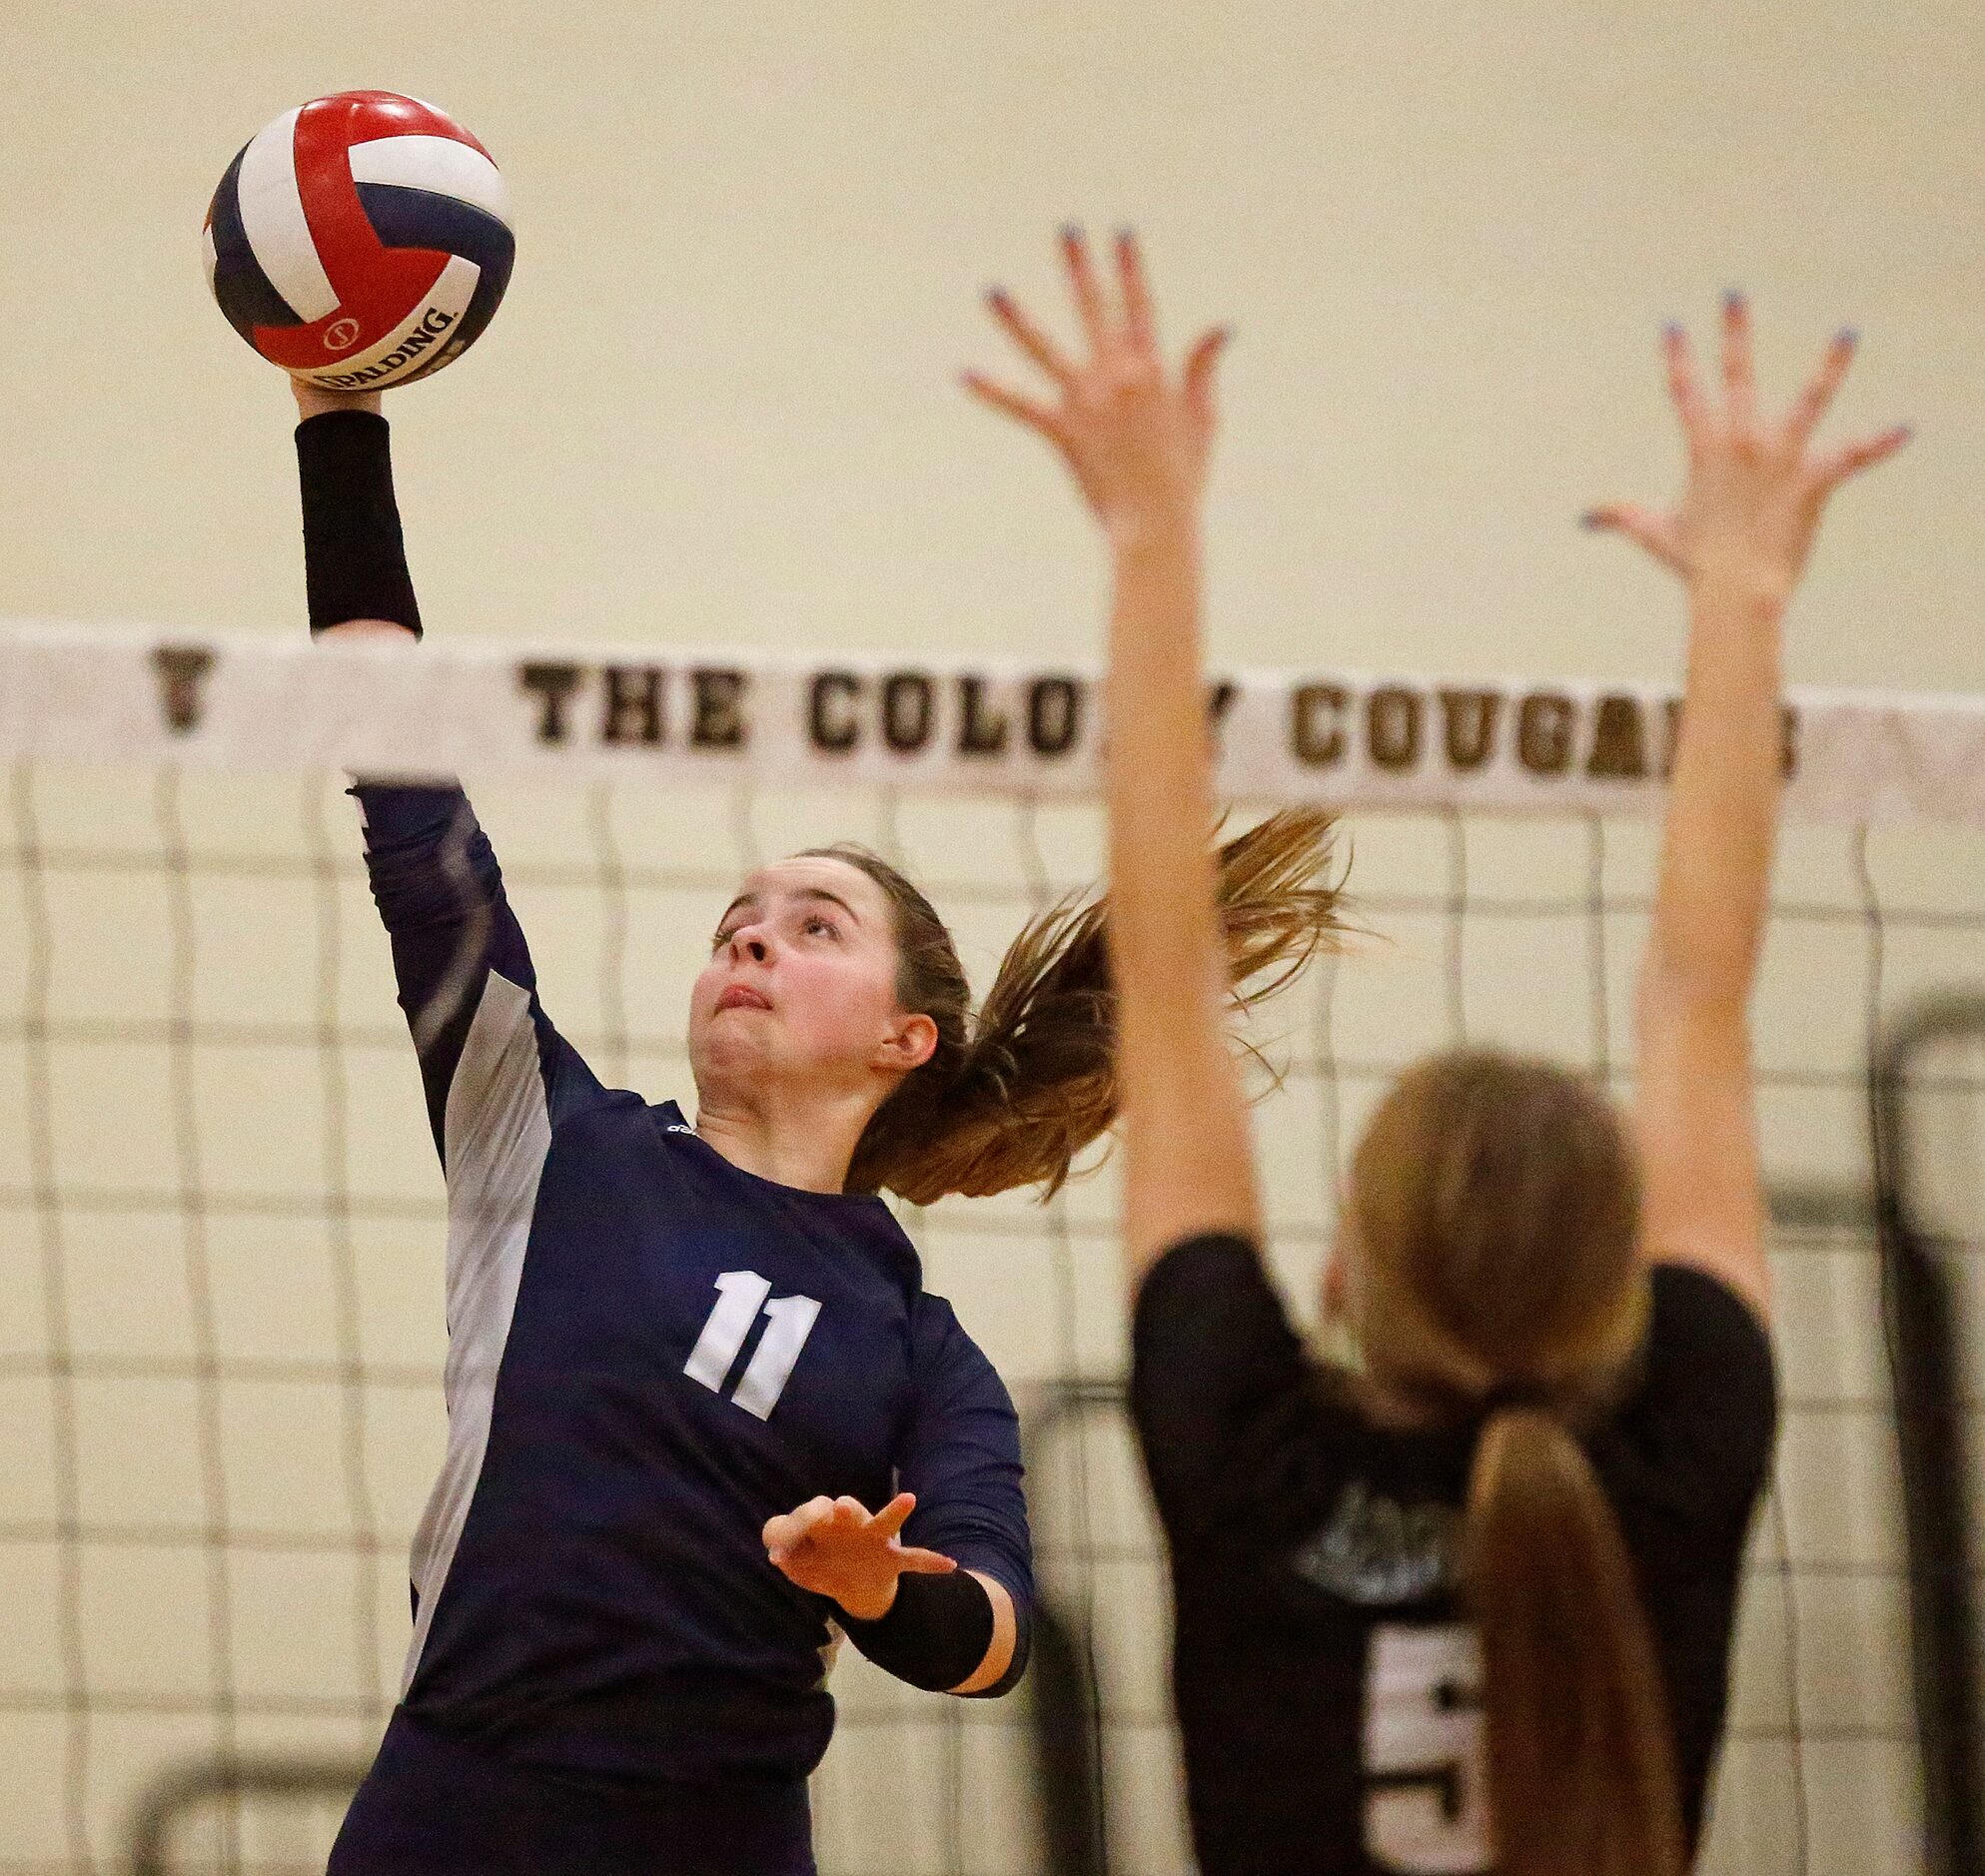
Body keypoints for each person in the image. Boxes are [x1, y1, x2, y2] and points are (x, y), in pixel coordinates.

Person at [288, 373, 1341, 1874]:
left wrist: (877, 1583)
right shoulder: (549, 1139)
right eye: (737, 921)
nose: (754, 942)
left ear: (907, 1039)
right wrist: (338, 412)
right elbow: (403, 782)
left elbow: (992, 1635)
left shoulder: (917, 1345)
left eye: (812, 924)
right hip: (457, 1811)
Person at [968, 236, 1907, 1874]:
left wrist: (1151, 536)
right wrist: (1746, 597)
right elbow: (1703, 999)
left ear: (1344, 1275)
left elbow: (1171, 995)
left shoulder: (1268, 1458)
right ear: (1618, 1287)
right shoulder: (1674, 1460)